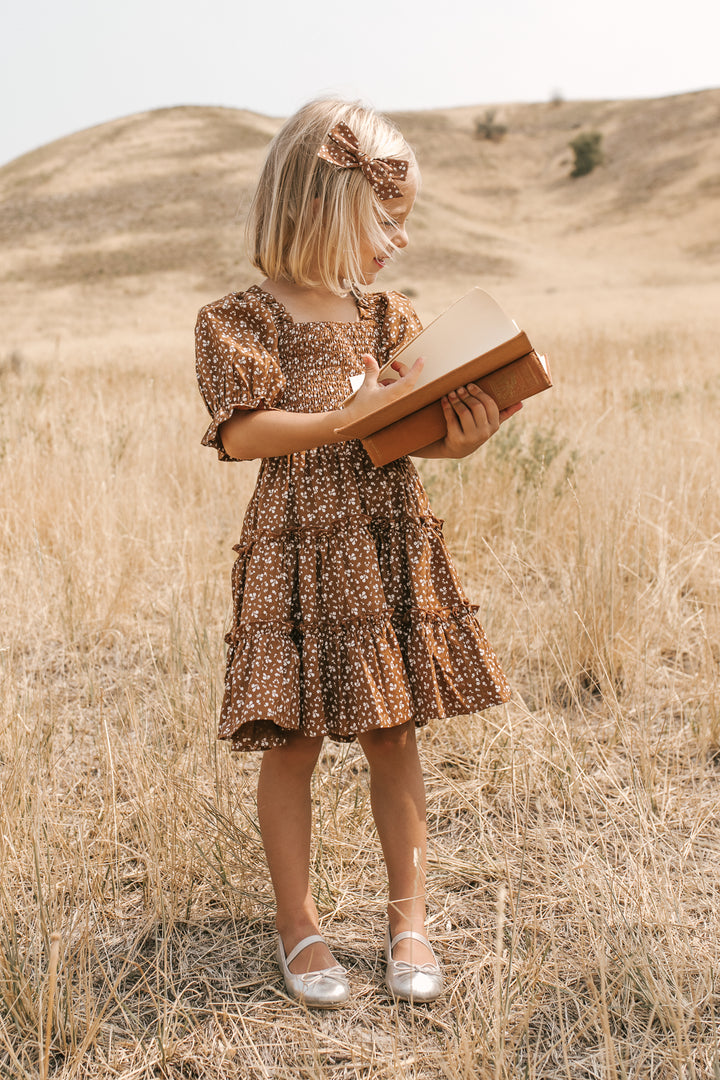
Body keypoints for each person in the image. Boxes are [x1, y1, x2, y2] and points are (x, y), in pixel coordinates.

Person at [195, 99, 521, 1008]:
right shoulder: (238, 320)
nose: (400, 241)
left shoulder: (390, 317)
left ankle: (406, 918)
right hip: (298, 545)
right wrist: (351, 414)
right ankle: (298, 926)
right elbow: (246, 432)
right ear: (326, 199)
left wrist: (463, 434)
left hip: (380, 539)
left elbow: (411, 434)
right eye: (389, 218)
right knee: (293, 739)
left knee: (392, 728)